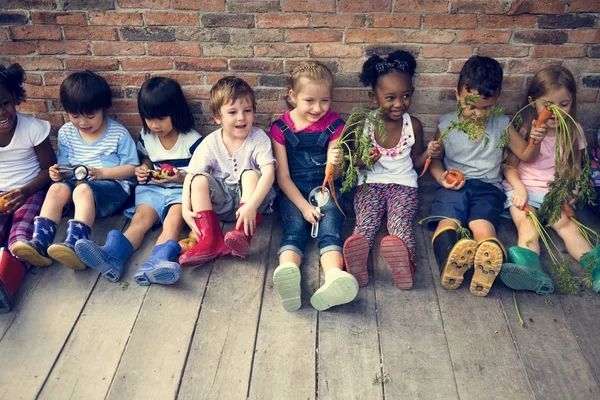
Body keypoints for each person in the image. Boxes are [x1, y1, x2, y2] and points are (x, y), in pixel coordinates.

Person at [426, 56, 545, 297]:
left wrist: (536, 140)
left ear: (498, 97)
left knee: (482, 224)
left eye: (486, 107)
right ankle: (449, 261)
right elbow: (436, 161)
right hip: (452, 186)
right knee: (448, 220)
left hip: (488, 188)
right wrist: (440, 177)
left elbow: (525, 155)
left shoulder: (501, 124)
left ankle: (487, 259)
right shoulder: (447, 124)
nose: (479, 114)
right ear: (458, 94)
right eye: (471, 106)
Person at [75, 77, 202, 284]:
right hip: (153, 189)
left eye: (160, 118)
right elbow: (145, 158)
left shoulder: (192, 140)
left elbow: (199, 175)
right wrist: (144, 169)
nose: (154, 125)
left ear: (176, 111)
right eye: (149, 119)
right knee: (139, 221)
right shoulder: (147, 135)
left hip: (181, 193)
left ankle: (157, 262)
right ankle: (112, 255)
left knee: (172, 223)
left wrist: (180, 177)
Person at [12, 71, 139, 271]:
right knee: (55, 189)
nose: (82, 122)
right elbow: (66, 167)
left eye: (90, 116)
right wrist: (59, 173)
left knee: (82, 190)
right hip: (77, 188)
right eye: (75, 116)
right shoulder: (66, 132)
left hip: (111, 191)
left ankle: (76, 245)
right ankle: (40, 242)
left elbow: (133, 168)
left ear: (103, 109)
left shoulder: (117, 133)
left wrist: (102, 173)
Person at [500, 65, 600, 295]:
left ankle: (596, 268)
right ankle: (529, 270)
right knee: (528, 224)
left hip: (554, 192)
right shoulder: (526, 128)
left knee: (567, 226)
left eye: (563, 105)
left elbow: (575, 168)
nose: (555, 112)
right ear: (532, 102)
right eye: (548, 105)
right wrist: (519, 188)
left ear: (572, 102)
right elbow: (509, 166)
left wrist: (572, 189)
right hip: (523, 189)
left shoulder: (574, 132)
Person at [271, 61, 359, 312]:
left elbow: (336, 175)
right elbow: (283, 178)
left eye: (325, 101)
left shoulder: (336, 125)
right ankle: (288, 272)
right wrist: (302, 207)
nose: (317, 108)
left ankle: (334, 277)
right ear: (293, 97)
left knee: (330, 224)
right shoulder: (280, 129)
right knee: (294, 227)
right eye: (309, 100)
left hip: (326, 187)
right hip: (294, 190)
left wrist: (336, 162)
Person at [343, 51, 430, 290]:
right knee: (366, 223)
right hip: (370, 183)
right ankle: (357, 261)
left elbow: (417, 161)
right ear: (374, 97)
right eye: (390, 97)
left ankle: (406, 262)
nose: (399, 103)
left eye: (405, 96)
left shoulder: (413, 125)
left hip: (404, 185)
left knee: (400, 223)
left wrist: (431, 154)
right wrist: (365, 160)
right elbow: (353, 162)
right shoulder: (364, 124)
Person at [179, 76, 275, 268]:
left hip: (254, 205)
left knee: (250, 173)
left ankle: (243, 235)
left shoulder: (258, 139)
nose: (241, 117)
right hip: (222, 205)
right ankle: (210, 240)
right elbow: (190, 176)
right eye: (233, 112)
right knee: (198, 180)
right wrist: (185, 209)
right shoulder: (211, 142)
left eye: (247, 111)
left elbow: (269, 173)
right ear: (217, 117)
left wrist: (251, 205)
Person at [0, 63, 56, 312]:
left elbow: (49, 170)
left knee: (19, 237)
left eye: (4, 103)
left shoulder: (32, 128)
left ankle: (12, 271)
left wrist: (25, 192)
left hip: (30, 190)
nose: (2, 112)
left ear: (15, 97)